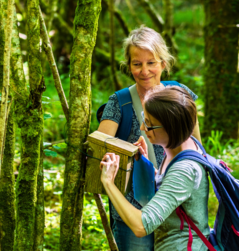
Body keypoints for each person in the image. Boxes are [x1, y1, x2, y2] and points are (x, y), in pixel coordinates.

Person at [97, 26, 201, 250]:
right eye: (137, 64)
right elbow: (99, 148)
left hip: (176, 209)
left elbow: (196, 149)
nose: (144, 71)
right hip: (133, 207)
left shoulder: (180, 96)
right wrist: (130, 154)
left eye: (151, 62)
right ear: (129, 66)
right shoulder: (119, 102)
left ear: (163, 63)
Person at [100, 86, 210, 250]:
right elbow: (170, 187)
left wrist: (108, 182)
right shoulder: (181, 147)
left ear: (170, 128)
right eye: (145, 119)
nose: (143, 129)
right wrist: (146, 164)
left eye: (149, 125)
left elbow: (141, 226)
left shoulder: (185, 169)